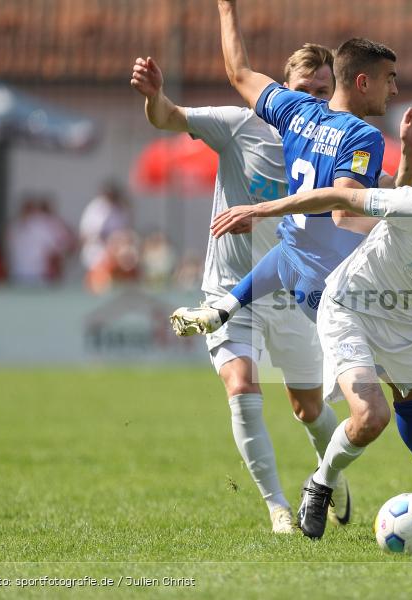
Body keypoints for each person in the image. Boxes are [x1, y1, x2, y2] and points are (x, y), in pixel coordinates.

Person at [172, 0, 412, 537]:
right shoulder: (362, 138)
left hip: (309, 273)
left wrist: (226, 8)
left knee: (406, 397)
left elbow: (238, 71)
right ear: (363, 81)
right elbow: (351, 204)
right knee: (392, 405)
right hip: (348, 291)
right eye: (390, 80)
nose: (395, 90)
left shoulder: (298, 111)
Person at [210, 164, 412, 539]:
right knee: (371, 417)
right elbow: (341, 197)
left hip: (410, 323)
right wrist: (261, 210)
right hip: (349, 308)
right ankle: (321, 483)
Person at [131, 48, 338, 533]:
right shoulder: (239, 125)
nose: (312, 100)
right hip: (228, 290)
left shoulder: (336, 144)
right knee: (241, 386)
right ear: (279, 91)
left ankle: (331, 477)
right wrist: (156, 96)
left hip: (292, 294)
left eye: (323, 92)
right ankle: (278, 508)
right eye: (303, 90)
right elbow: (167, 118)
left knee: (308, 408)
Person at [79, 182, 133, 274]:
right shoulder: (95, 208)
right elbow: (86, 235)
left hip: (117, 254)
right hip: (96, 252)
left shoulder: (121, 208)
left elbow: (125, 231)